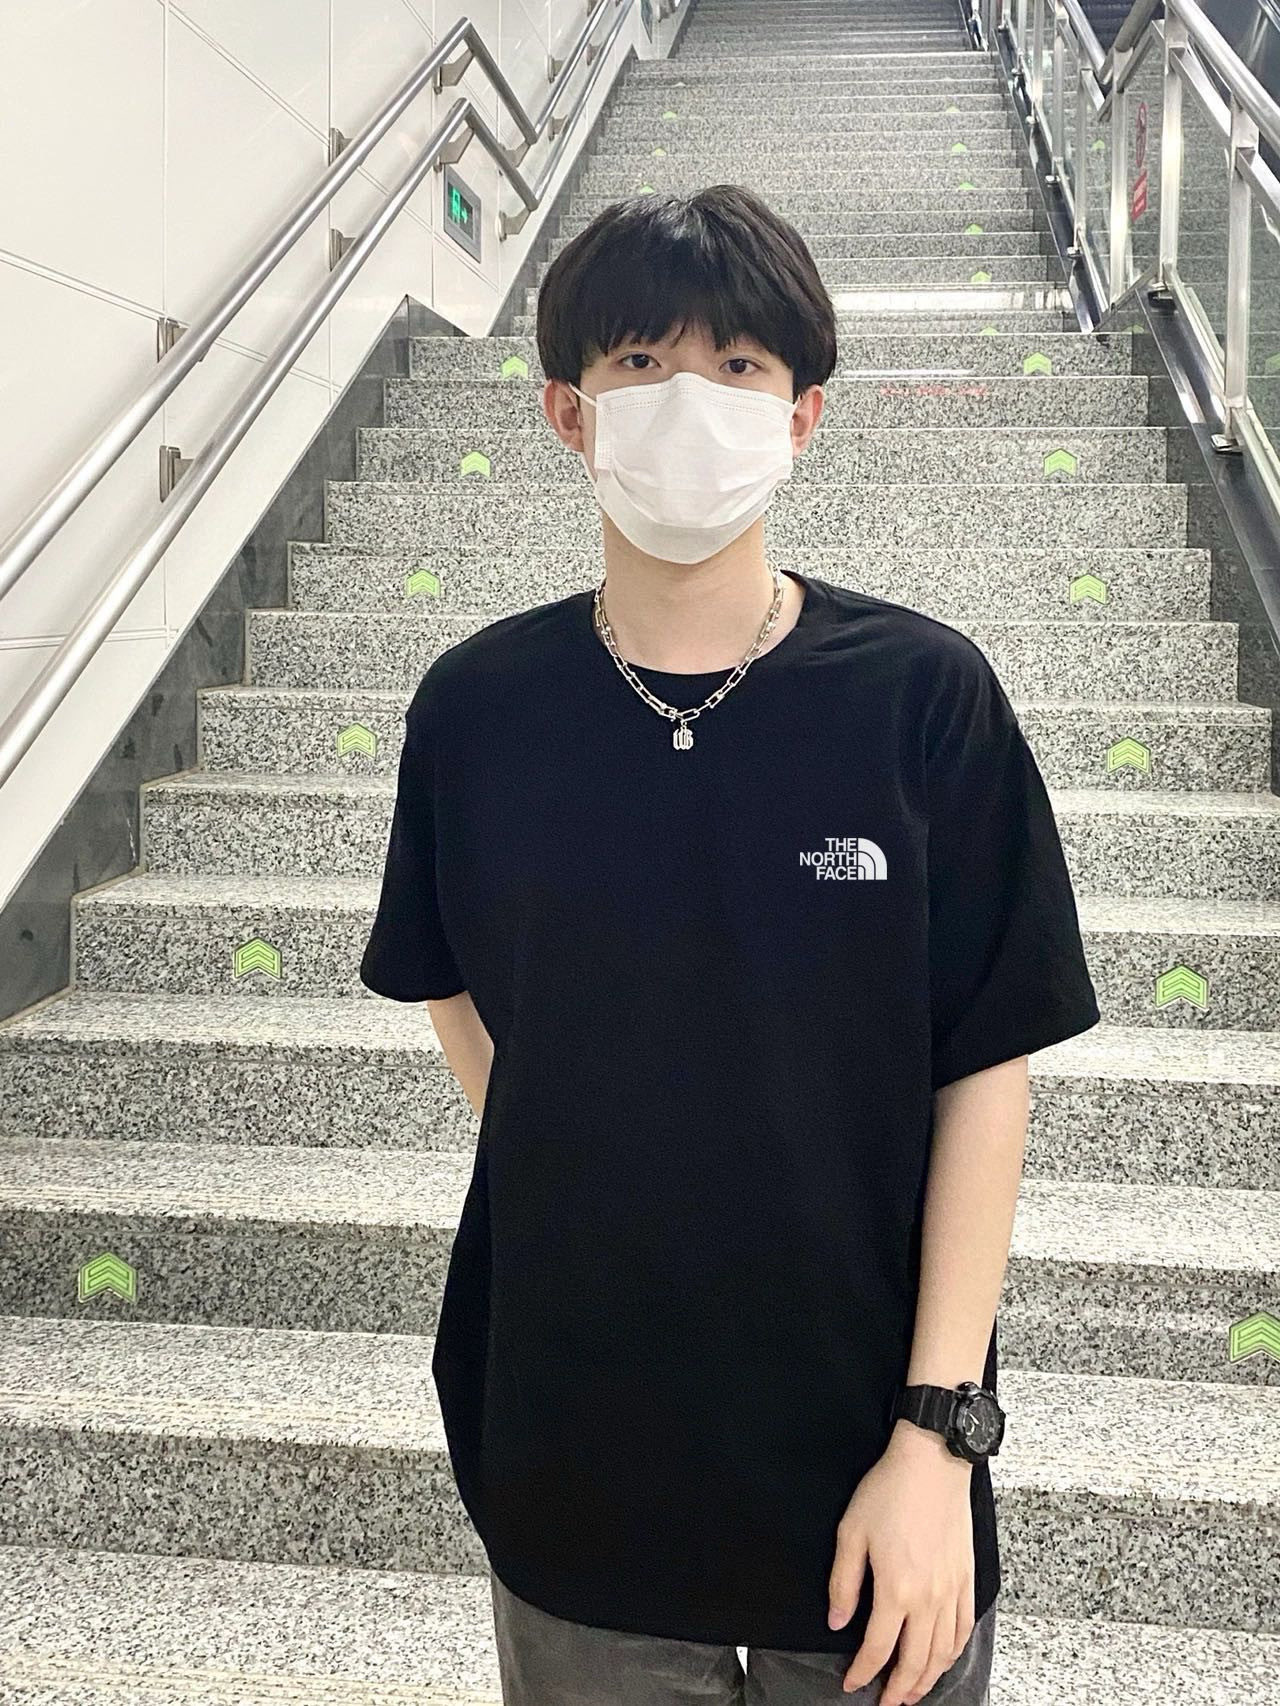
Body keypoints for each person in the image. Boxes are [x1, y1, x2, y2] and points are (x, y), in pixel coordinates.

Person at [359, 183, 1102, 1705]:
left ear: (801, 414)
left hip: (874, 1463)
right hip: (578, 1457)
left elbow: (986, 1070)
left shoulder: (923, 697)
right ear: (567, 410)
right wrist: (589, 1151)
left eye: (739, 364)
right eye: (640, 362)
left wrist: (938, 1435)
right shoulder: (479, 710)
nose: (689, 398)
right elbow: (456, 990)